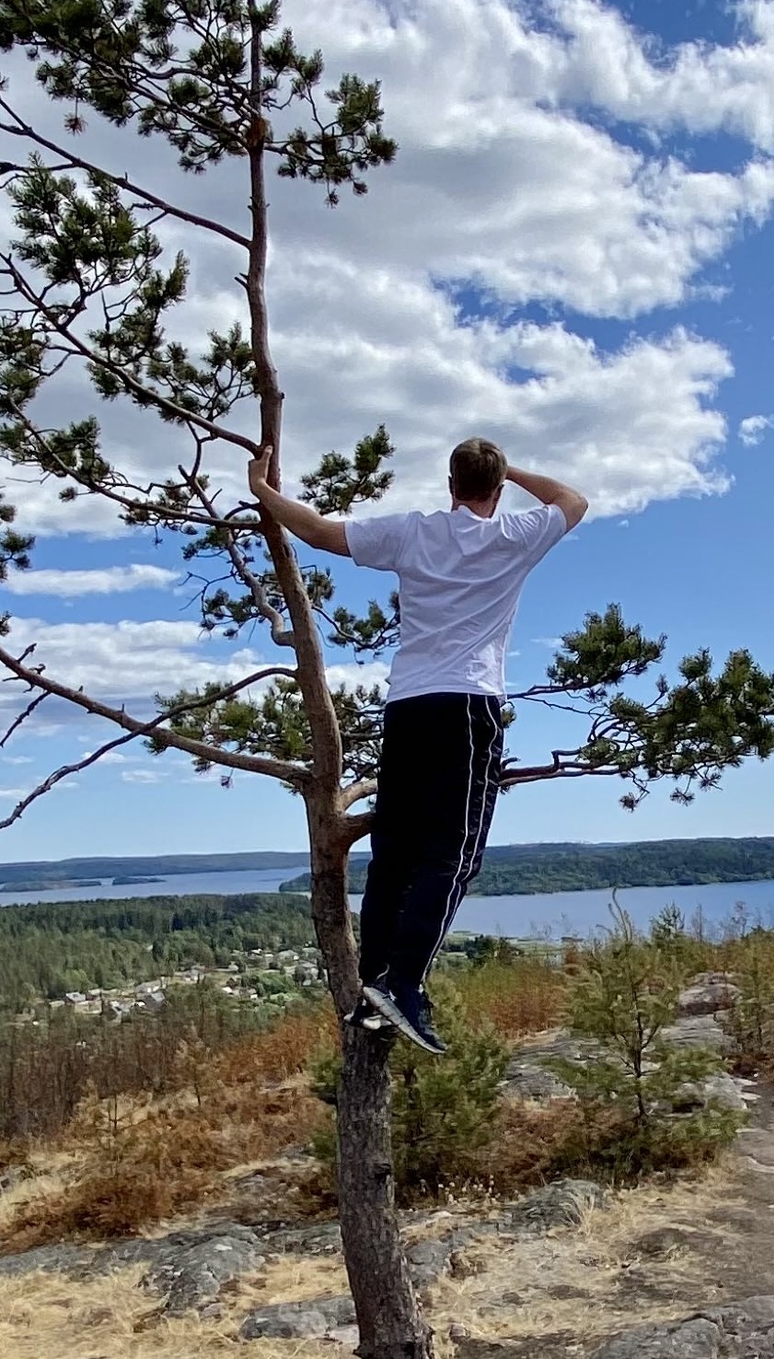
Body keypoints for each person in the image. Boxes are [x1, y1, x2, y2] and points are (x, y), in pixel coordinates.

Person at [249, 435, 588, 1053]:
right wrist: (514, 471)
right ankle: (406, 985)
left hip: (406, 708)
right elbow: (573, 499)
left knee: (396, 853)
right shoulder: (513, 536)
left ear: (451, 485)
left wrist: (263, 492)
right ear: (494, 487)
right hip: (467, 707)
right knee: (452, 857)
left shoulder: (412, 533)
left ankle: (376, 984)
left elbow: (321, 533)